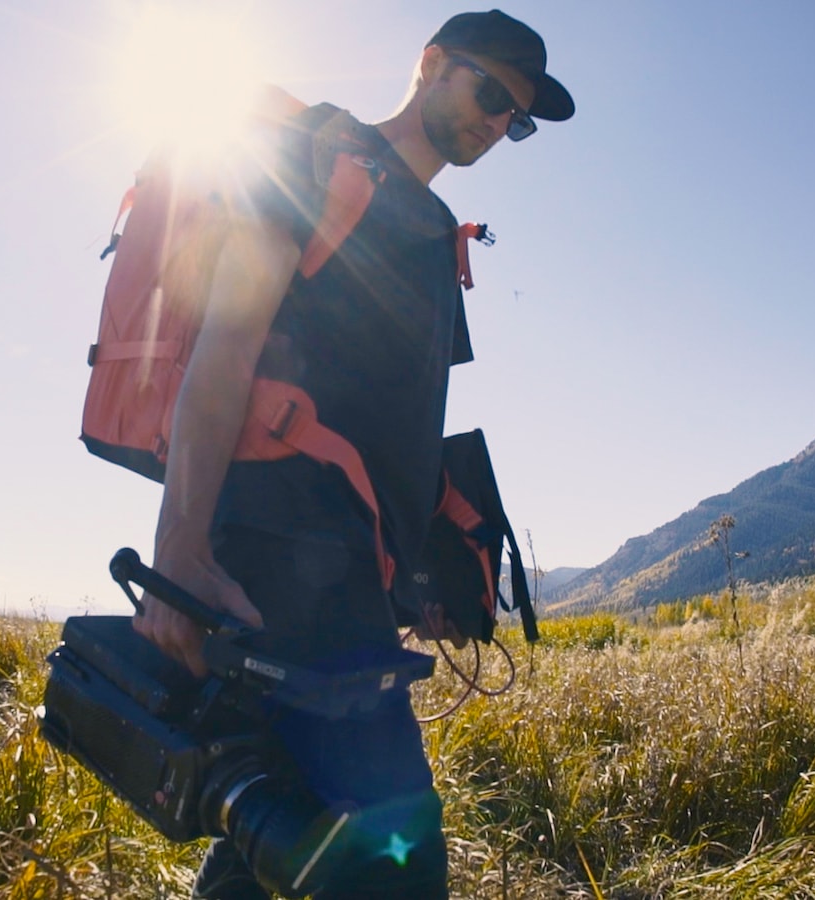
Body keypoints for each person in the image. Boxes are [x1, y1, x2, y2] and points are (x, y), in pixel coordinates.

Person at [130, 10, 574, 898]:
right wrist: (176, 553)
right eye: (491, 92)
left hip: (349, 583)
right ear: (431, 64)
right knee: (394, 861)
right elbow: (224, 351)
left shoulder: (439, 230)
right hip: (273, 558)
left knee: (288, 846)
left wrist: (419, 579)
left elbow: (395, 428)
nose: (499, 122)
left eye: (516, 118)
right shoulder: (315, 157)